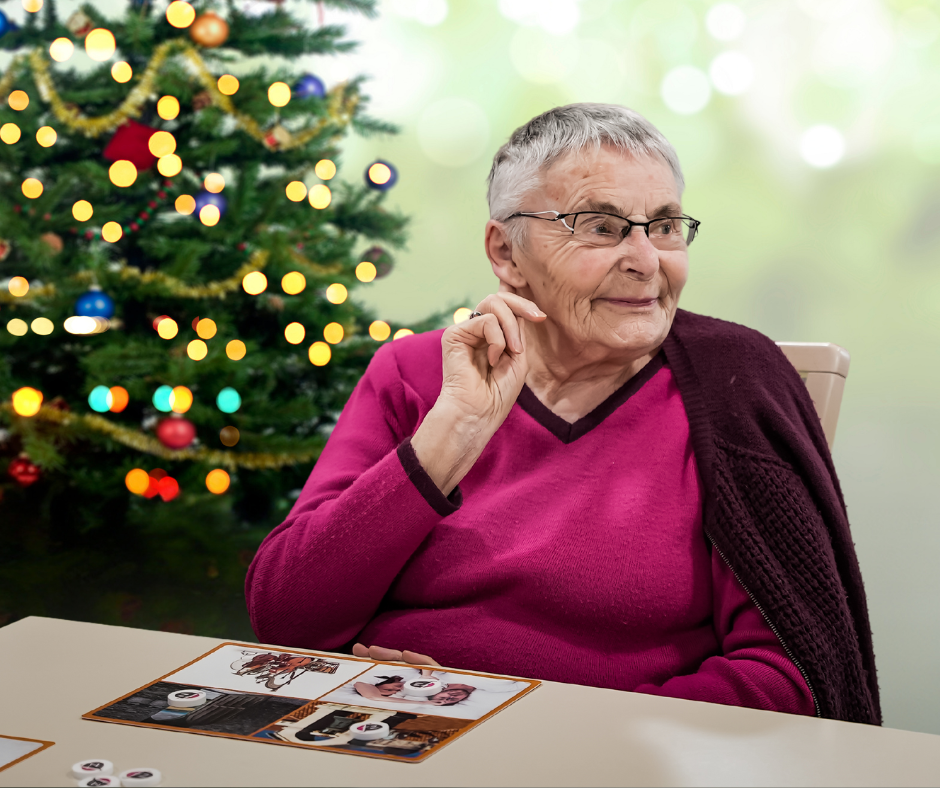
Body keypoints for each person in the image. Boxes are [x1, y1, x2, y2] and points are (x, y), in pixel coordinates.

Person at [246, 103, 880, 725]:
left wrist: (529, 724)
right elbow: (287, 618)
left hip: (613, 761)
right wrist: (451, 432)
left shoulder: (736, 385)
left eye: (664, 226)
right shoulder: (413, 374)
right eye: (601, 227)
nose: (646, 260)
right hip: (387, 737)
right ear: (506, 252)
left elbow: (793, 673)